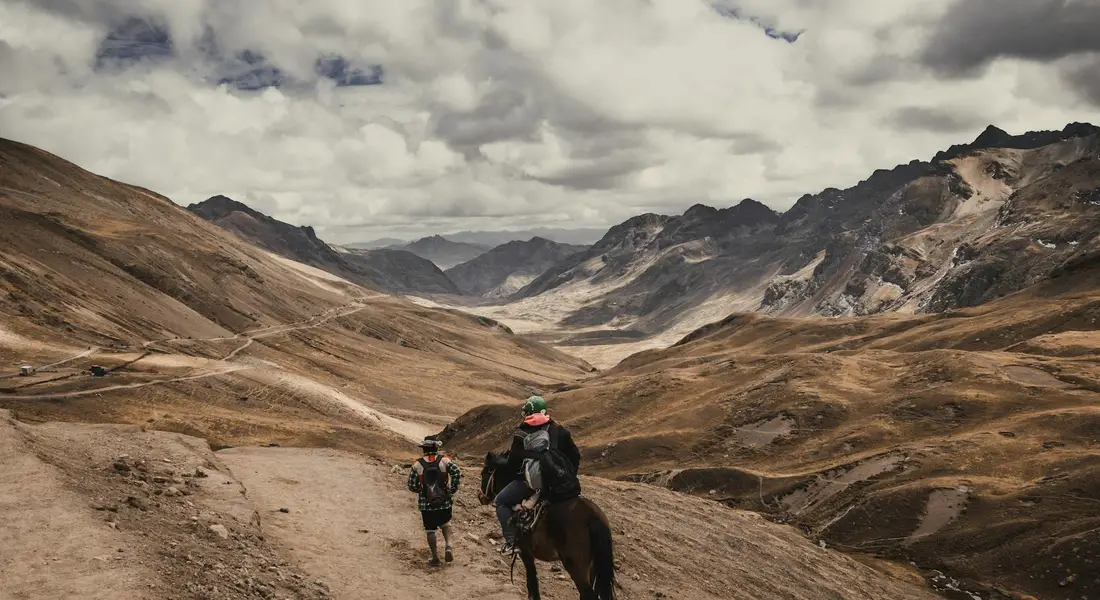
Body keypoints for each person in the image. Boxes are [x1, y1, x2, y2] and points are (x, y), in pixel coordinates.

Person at [494, 395, 581, 555]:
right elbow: (575, 455)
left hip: (533, 484)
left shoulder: (522, 433)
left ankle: (512, 542)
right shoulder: (559, 430)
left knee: (500, 501)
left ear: (528, 412)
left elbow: (513, 463)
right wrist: (567, 475)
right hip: (559, 483)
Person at [407, 438, 461, 567]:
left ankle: (435, 557)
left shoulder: (417, 464)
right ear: (436, 448)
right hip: (444, 500)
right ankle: (448, 546)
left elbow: (411, 485)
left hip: (426, 503)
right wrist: (452, 489)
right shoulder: (445, 460)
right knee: (446, 523)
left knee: (430, 530)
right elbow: (456, 472)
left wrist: (421, 490)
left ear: (424, 449)